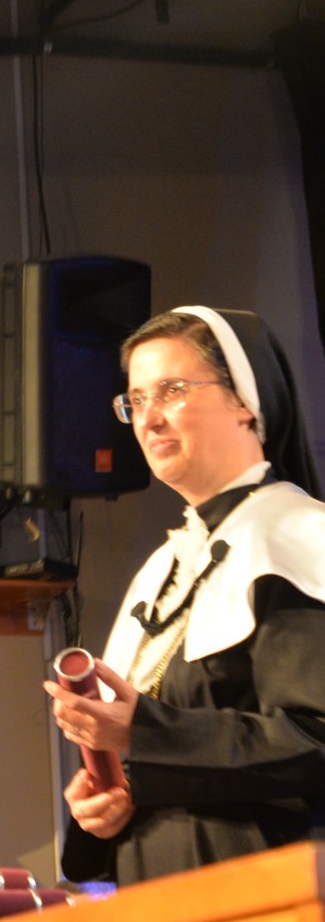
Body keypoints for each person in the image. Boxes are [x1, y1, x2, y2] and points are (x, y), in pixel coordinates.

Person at [47, 306, 325, 886]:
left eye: (171, 390)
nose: (149, 418)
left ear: (244, 400)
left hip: (270, 898)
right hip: (157, 898)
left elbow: (313, 740)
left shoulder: (297, 538)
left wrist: (146, 733)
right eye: (135, 400)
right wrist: (116, 795)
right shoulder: (162, 569)